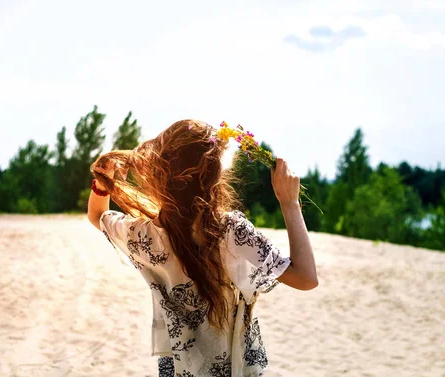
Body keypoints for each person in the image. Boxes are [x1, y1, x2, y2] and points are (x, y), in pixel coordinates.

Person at [86, 119, 318, 377]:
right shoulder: (231, 231)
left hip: (177, 369)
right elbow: (306, 278)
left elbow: (97, 215)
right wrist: (290, 204)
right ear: (215, 174)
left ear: (162, 174)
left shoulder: (145, 236)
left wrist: (102, 183)